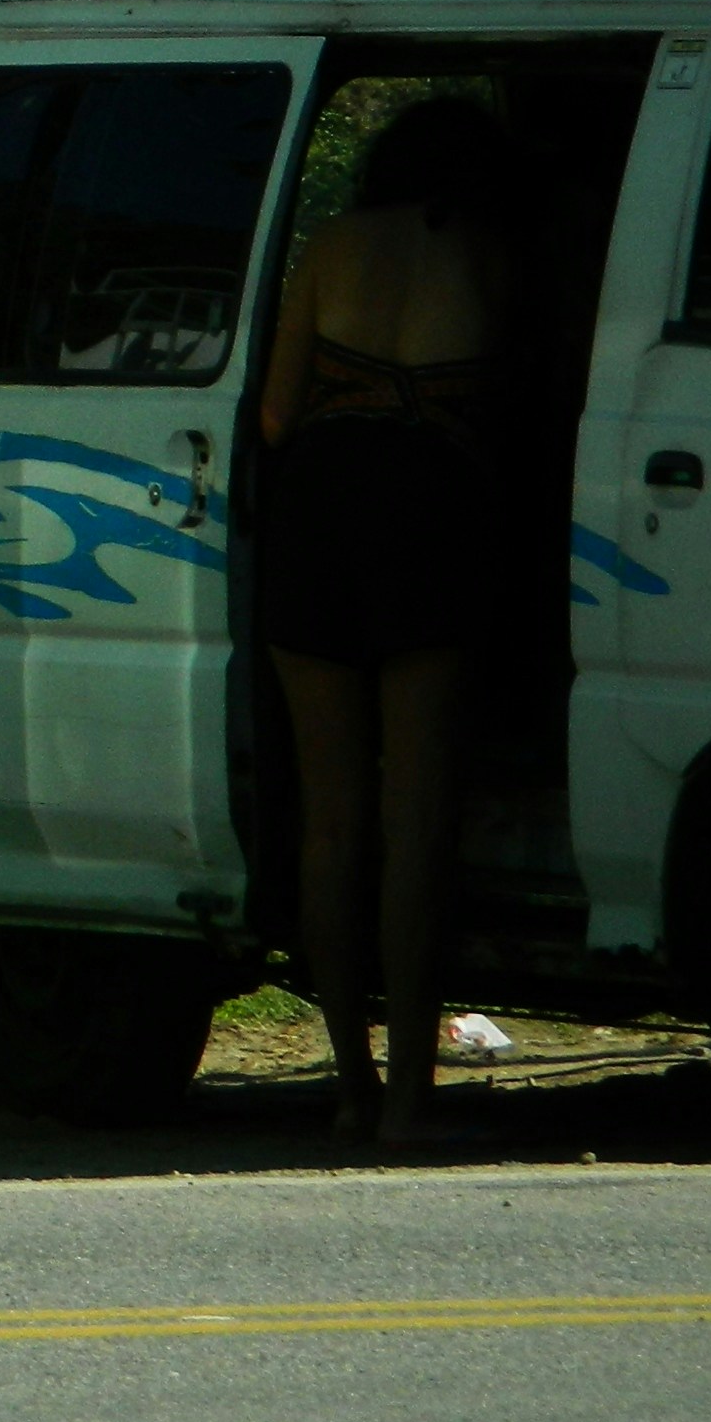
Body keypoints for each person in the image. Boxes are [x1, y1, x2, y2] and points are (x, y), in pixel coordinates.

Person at [255, 98, 530, 1143]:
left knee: (331, 824)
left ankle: (348, 1083)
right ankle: (414, 1096)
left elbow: (278, 414)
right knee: (416, 822)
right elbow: (516, 400)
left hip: (320, 515)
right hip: (434, 520)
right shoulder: (496, 253)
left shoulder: (334, 243)